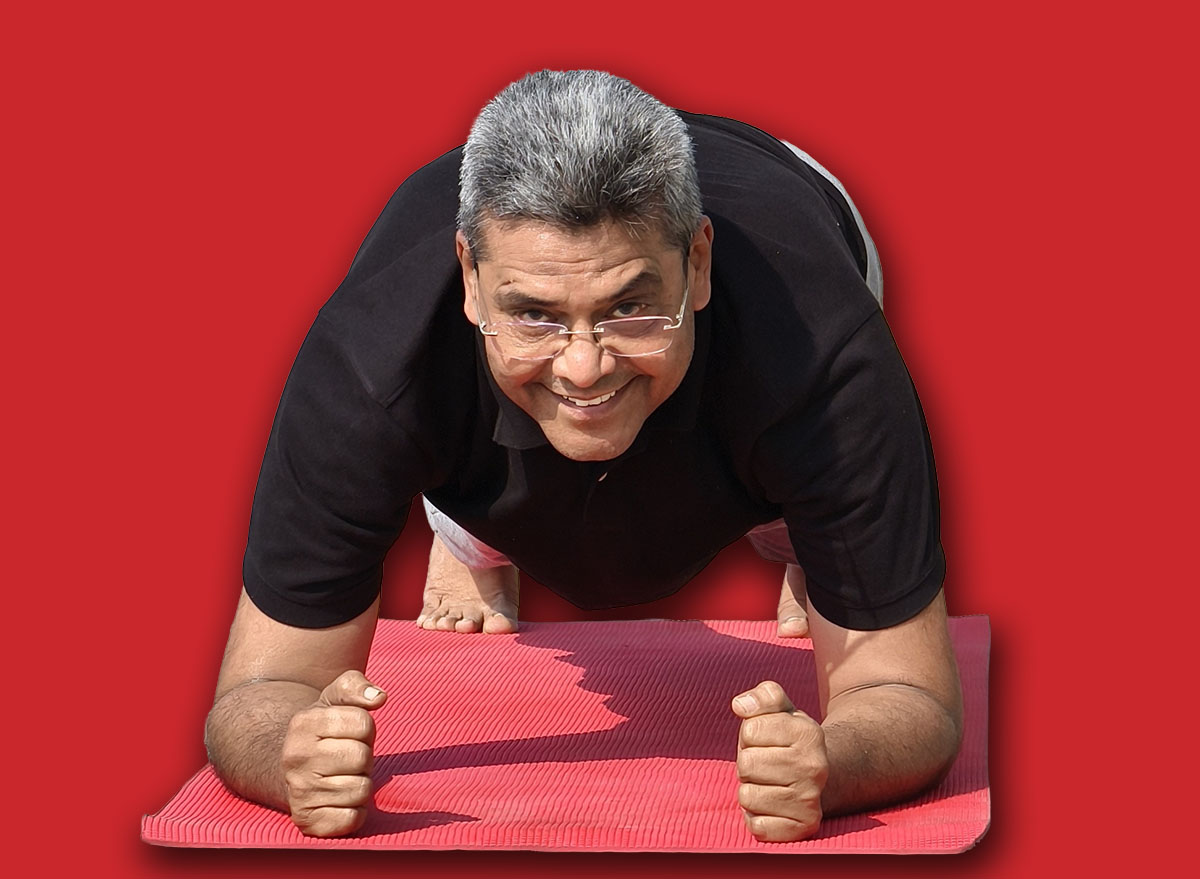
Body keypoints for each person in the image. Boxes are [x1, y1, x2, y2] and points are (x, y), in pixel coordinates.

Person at [204, 70, 963, 844]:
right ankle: (473, 535)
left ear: (698, 265)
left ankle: (800, 538)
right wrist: (286, 753)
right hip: (453, 393)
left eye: (630, 306)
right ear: (470, 279)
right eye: (533, 314)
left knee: (796, 480)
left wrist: (837, 761)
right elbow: (264, 686)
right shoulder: (370, 367)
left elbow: (907, 690)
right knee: (504, 441)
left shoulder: (826, 352)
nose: (583, 364)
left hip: (791, 231)